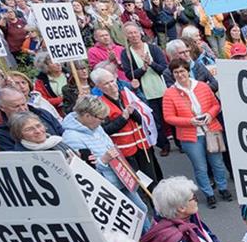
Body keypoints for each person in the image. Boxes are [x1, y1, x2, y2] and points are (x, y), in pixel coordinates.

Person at [60, 96, 149, 215]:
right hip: (106, 186)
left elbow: (109, 145)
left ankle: (150, 233)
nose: (102, 121)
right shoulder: (71, 138)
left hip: (119, 176)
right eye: (101, 118)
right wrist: (104, 160)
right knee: (131, 215)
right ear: (87, 116)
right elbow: (83, 170)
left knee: (141, 210)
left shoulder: (95, 126)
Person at [161, 58, 232, 208]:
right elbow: (168, 117)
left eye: (182, 71)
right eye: (176, 72)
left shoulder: (202, 87)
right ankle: (209, 193)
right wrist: (190, 122)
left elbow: (215, 105)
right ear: (172, 74)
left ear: (188, 71)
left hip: (211, 129)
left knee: (217, 163)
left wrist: (209, 115)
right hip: (190, 136)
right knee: (200, 167)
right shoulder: (169, 93)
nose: (180, 75)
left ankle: (223, 188)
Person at [90, 66, 160, 182]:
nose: (112, 85)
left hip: (142, 145)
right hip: (124, 151)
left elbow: (143, 119)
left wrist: (134, 113)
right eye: (106, 84)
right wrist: (123, 117)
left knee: (152, 179)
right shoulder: (100, 104)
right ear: (98, 87)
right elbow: (105, 130)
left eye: (112, 81)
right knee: (139, 182)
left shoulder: (127, 94)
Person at [120, 22, 171, 156]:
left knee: (170, 117)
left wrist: (151, 64)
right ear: (126, 36)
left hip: (162, 89)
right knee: (155, 121)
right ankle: (163, 145)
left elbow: (164, 68)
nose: (133, 35)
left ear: (140, 32)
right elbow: (129, 74)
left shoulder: (153, 49)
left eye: (135, 32)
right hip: (145, 93)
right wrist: (142, 69)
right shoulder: (126, 54)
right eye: (130, 33)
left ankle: (179, 142)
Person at [0, 85, 64, 152]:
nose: (23, 109)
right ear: (2, 107)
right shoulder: (0, 131)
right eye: (16, 106)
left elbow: (62, 132)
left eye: (23, 104)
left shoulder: (42, 113)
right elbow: (13, 158)